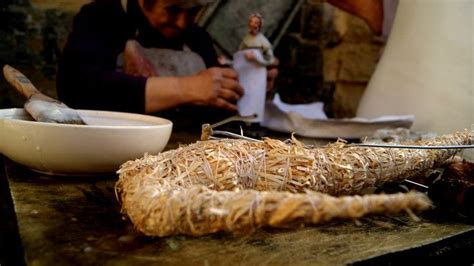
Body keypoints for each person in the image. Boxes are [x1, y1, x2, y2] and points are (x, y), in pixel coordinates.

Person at [57, 0, 278, 129]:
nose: (182, 22)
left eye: (192, 12)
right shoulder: (102, 16)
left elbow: (218, 95)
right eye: (173, 9)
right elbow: (77, 88)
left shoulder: (196, 37)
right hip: (111, 151)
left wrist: (252, 81)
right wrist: (186, 88)